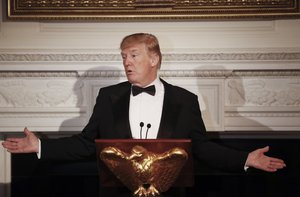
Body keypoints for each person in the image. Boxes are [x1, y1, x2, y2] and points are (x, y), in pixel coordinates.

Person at [2, 33, 286, 196]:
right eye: (123, 56)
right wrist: (40, 145)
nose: (126, 62)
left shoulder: (184, 100)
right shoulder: (108, 96)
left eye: (133, 55)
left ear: (154, 58)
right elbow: (87, 143)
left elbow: (201, 147)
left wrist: (245, 159)